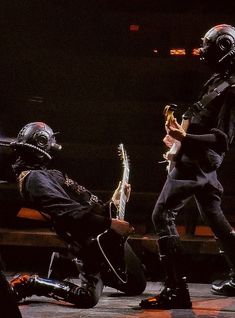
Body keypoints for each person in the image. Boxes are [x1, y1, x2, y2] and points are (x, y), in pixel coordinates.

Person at [139, 23, 235, 309]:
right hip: (195, 159)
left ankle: (175, 290)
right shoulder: (217, 81)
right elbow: (199, 120)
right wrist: (177, 140)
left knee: (162, 215)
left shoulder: (232, 89)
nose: (202, 51)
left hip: (198, 162)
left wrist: (185, 138)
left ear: (225, 48)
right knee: (215, 218)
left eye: (208, 46)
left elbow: (221, 139)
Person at [9, 122, 146, 307]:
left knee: (136, 284)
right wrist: (110, 224)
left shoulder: (53, 174)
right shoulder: (33, 179)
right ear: (42, 144)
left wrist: (113, 202)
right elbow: (69, 213)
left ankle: (64, 263)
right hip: (84, 239)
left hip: (97, 232)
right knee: (86, 297)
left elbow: (88, 202)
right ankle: (31, 283)